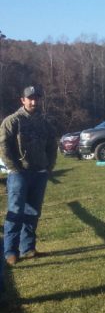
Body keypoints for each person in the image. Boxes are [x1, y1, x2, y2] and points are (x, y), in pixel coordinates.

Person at [0, 85, 58, 266]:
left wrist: (48, 167)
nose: (34, 101)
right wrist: (14, 168)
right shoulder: (12, 121)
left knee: (33, 213)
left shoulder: (44, 123)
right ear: (22, 100)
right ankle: (10, 251)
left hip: (39, 173)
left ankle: (28, 248)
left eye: (36, 98)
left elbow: (52, 146)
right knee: (16, 212)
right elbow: (4, 146)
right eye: (30, 98)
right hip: (19, 174)